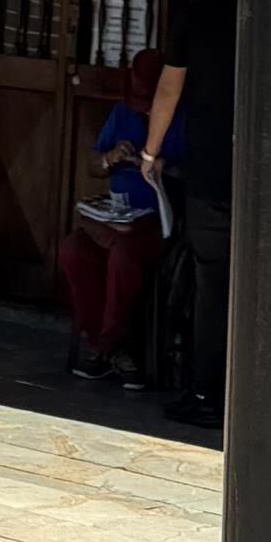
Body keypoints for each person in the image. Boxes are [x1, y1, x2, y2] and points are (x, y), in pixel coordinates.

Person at [140, 0, 239, 426]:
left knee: (212, 283)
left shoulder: (196, 17)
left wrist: (150, 151)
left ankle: (207, 394)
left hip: (211, 169)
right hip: (266, 173)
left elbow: (167, 91)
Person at [57, 48, 168, 386]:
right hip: (117, 213)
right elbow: (93, 165)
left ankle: (108, 348)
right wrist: (110, 158)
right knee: (74, 249)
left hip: (155, 221)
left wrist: (160, 167)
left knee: (124, 255)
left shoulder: (179, 118)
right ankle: (101, 341)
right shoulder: (122, 114)